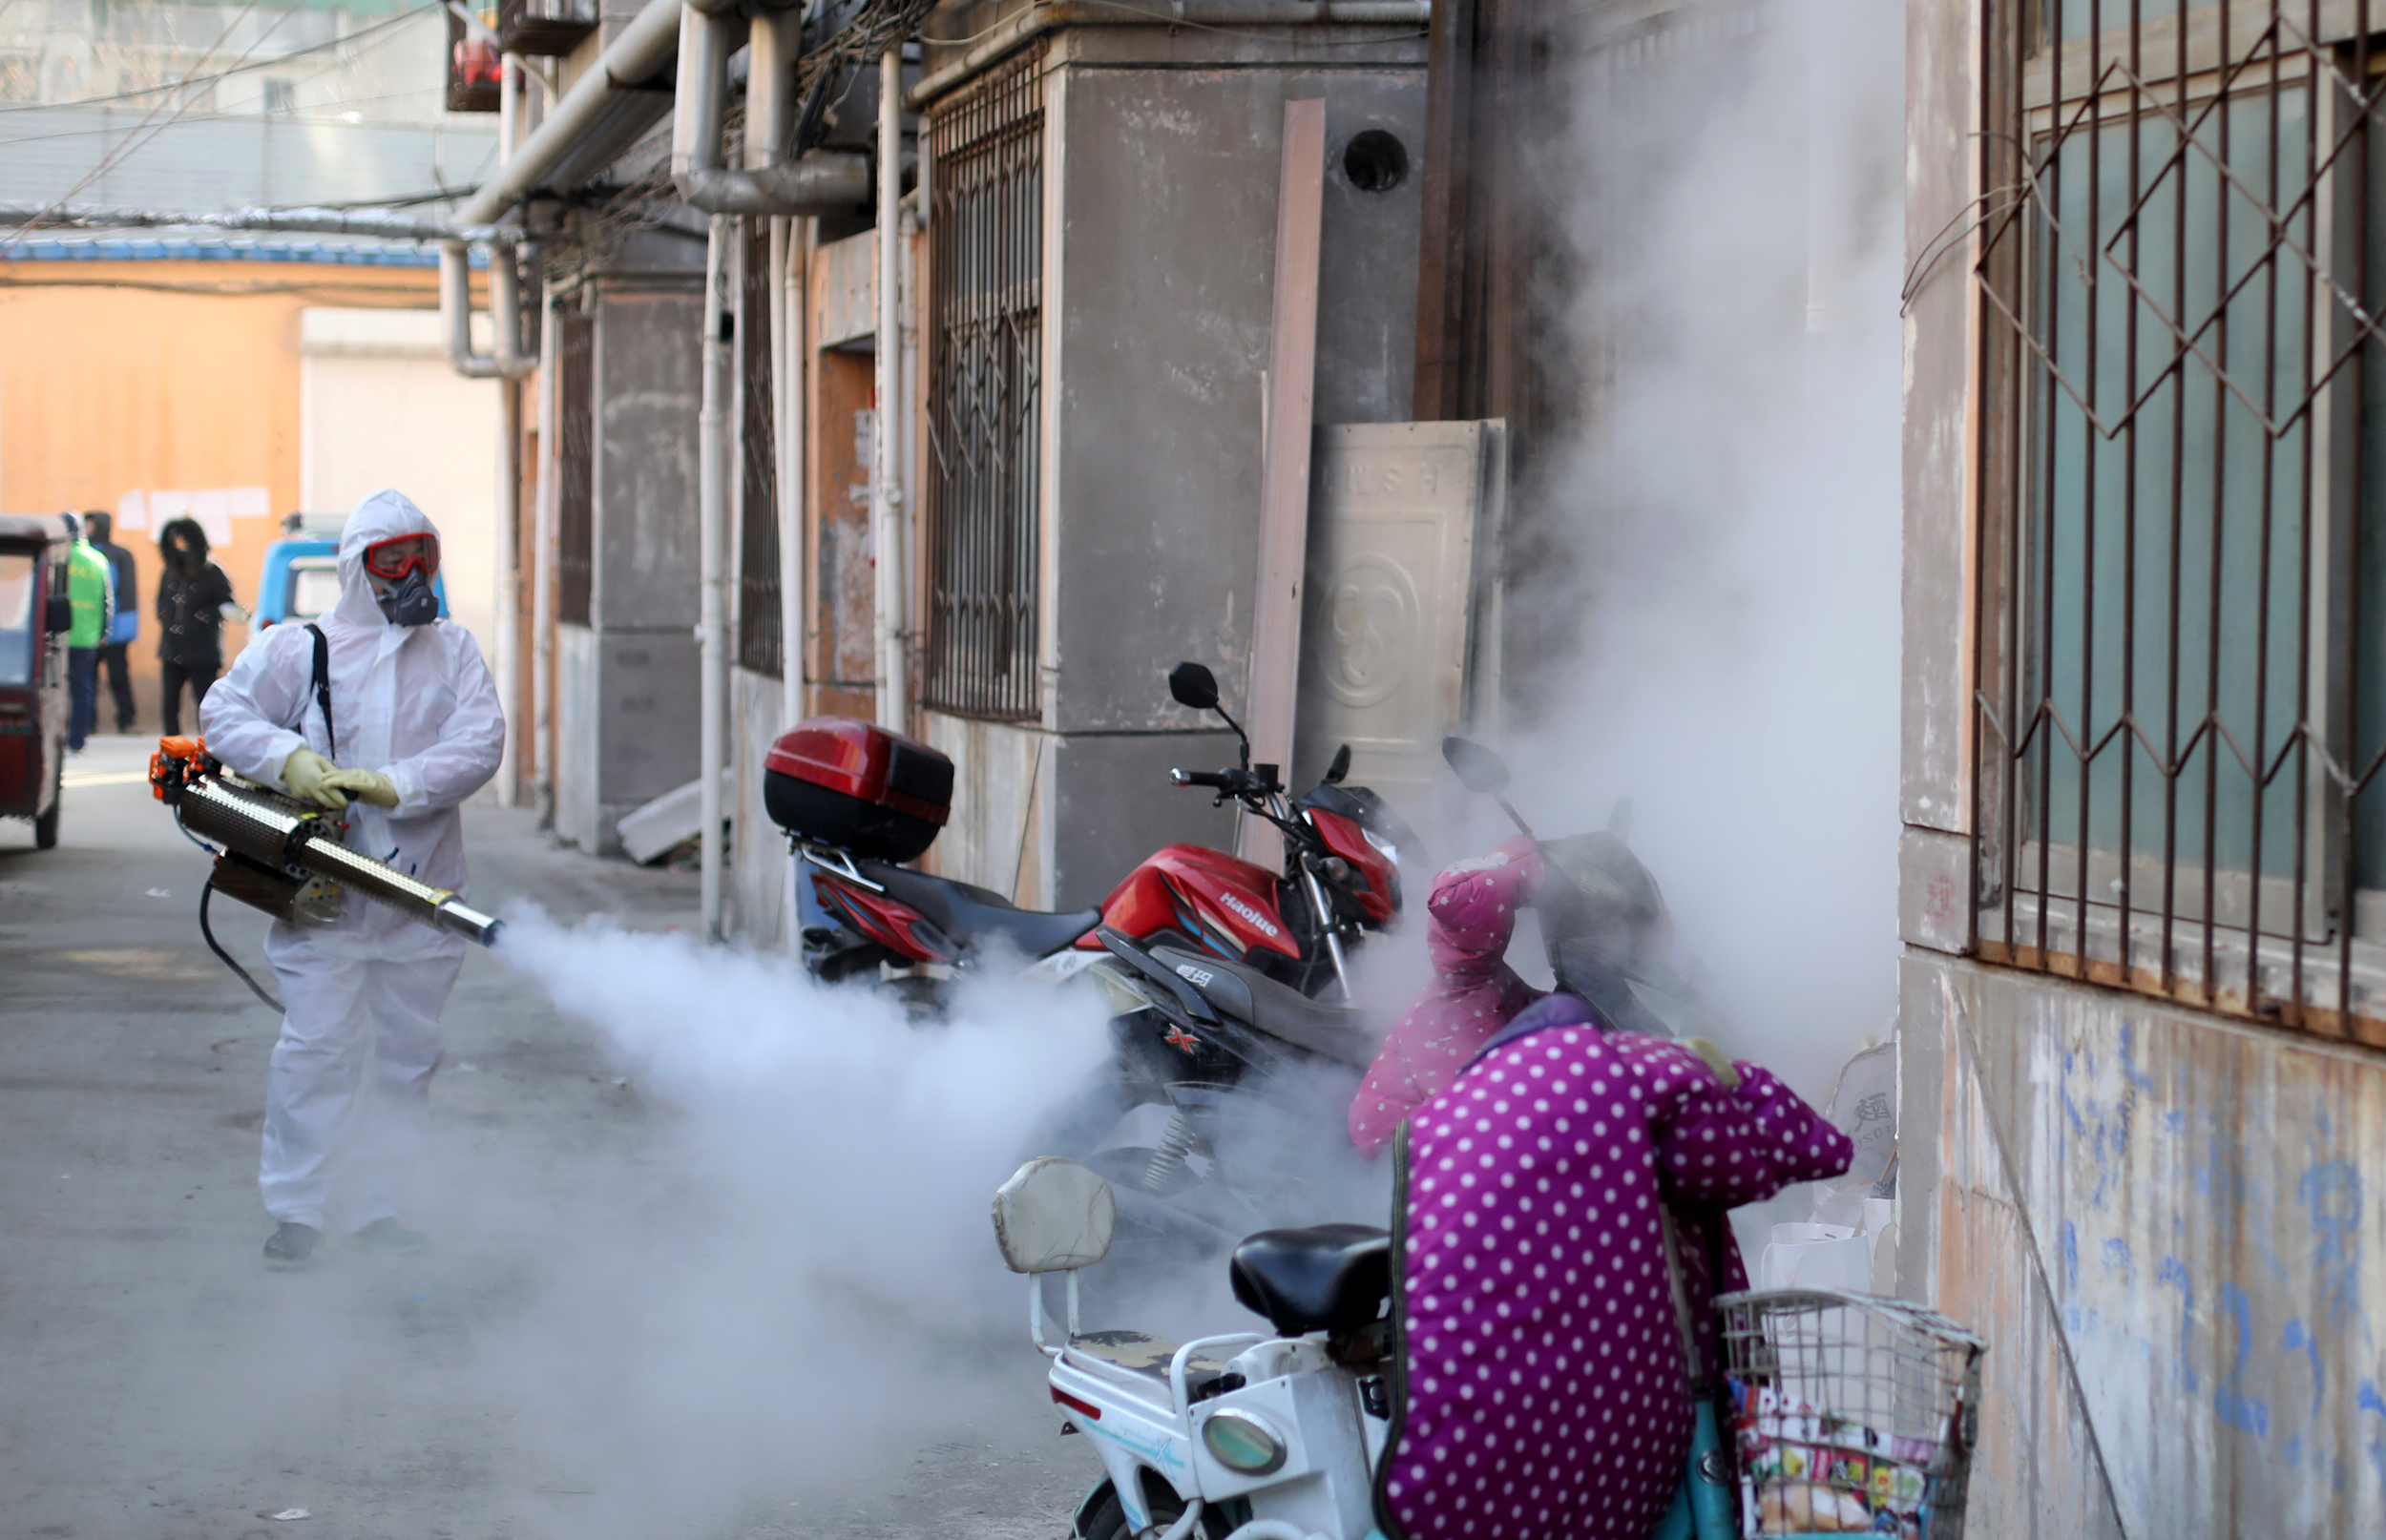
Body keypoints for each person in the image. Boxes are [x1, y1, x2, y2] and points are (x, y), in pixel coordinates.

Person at [1375, 1000, 1852, 1540]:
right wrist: (1731, 1078)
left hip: (1474, 1467)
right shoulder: (1633, 1074)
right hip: (1632, 1447)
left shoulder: (1454, 1111)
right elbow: (1805, 1148)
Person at [199, 489, 504, 1268]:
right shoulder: (301, 649)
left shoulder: (453, 650)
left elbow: (481, 743)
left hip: (421, 896)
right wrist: (290, 759)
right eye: (390, 560)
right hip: (324, 894)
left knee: (406, 1058)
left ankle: (378, 1207)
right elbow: (223, 713)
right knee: (317, 1052)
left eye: (420, 556)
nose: (410, 574)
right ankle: (298, 1209)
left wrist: (395, 783)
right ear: (355, 568)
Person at [155, 516, 235, 736]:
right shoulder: (170, 572)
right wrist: (164, 614)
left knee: (206, 704)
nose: (180, 546)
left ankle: (208, 746)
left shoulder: (213, 572)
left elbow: (226, 604)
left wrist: (203, 616)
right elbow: (161, 600)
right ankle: (173, 747)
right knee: (170, 704)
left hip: (202, 651)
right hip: (172, 650)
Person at [61, 511, 115, 752]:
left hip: (57, 635)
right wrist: (104, 631)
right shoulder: (98, 560)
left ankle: (56, 736)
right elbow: (107, 599)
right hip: (87, 637)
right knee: (83, 690)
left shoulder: (59, 557)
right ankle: (77, 741)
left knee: (55, 691)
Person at [85, 510, 139, 733]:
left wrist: (117, 629)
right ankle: (87, 723)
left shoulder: (120, 555)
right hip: (89, 629)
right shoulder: (84, 555)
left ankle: (127, 721)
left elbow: (127, 595)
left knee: (118, 677)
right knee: (88, 679)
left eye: (91, 524)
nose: (87, 528)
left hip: (115, 631)